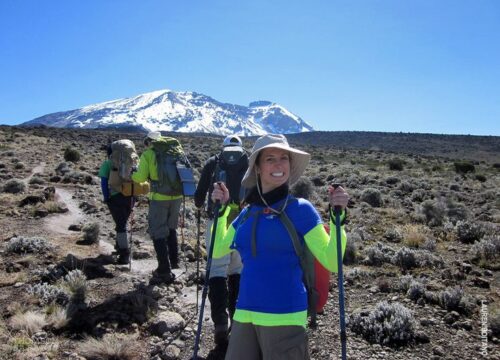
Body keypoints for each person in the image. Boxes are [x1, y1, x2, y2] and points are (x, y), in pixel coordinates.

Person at [210, 134, 349, 359]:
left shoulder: (301, 209)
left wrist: (337, 220)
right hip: (244, 314)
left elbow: (332, 261)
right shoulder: (247, 213)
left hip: (285, 314)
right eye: (270, 158)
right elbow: (217, 251)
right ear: (257, 167)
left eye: (284, 158)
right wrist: (222, 211)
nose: (278, 164)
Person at [194, 135, 248, 347]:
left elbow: (199, 198)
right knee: (237, 271)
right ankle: (237, 320)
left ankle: (220, 324)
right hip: (243, 221)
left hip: (218, 220)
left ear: (224, 147)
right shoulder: (250, 162)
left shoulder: (213, 162)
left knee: (216, 270)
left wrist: (200, 202)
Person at [131, 131, 183, 284]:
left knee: (158, 231)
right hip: (177, 196)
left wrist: (132, 174)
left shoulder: (148, 154)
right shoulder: (174, 150)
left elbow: (140, 178)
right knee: (171, 228)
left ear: (148, 142)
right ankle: (174, 262)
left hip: (159, 197)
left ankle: (164, 269)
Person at [98, 144, 134, 264]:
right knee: (122, 222)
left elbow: (104, 182)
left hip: (115, 197)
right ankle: (119, 248)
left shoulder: (108, 164)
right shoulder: (130, 162)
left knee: (120, 225)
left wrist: (106, 197)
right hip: (130, 196)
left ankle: (124, 254)